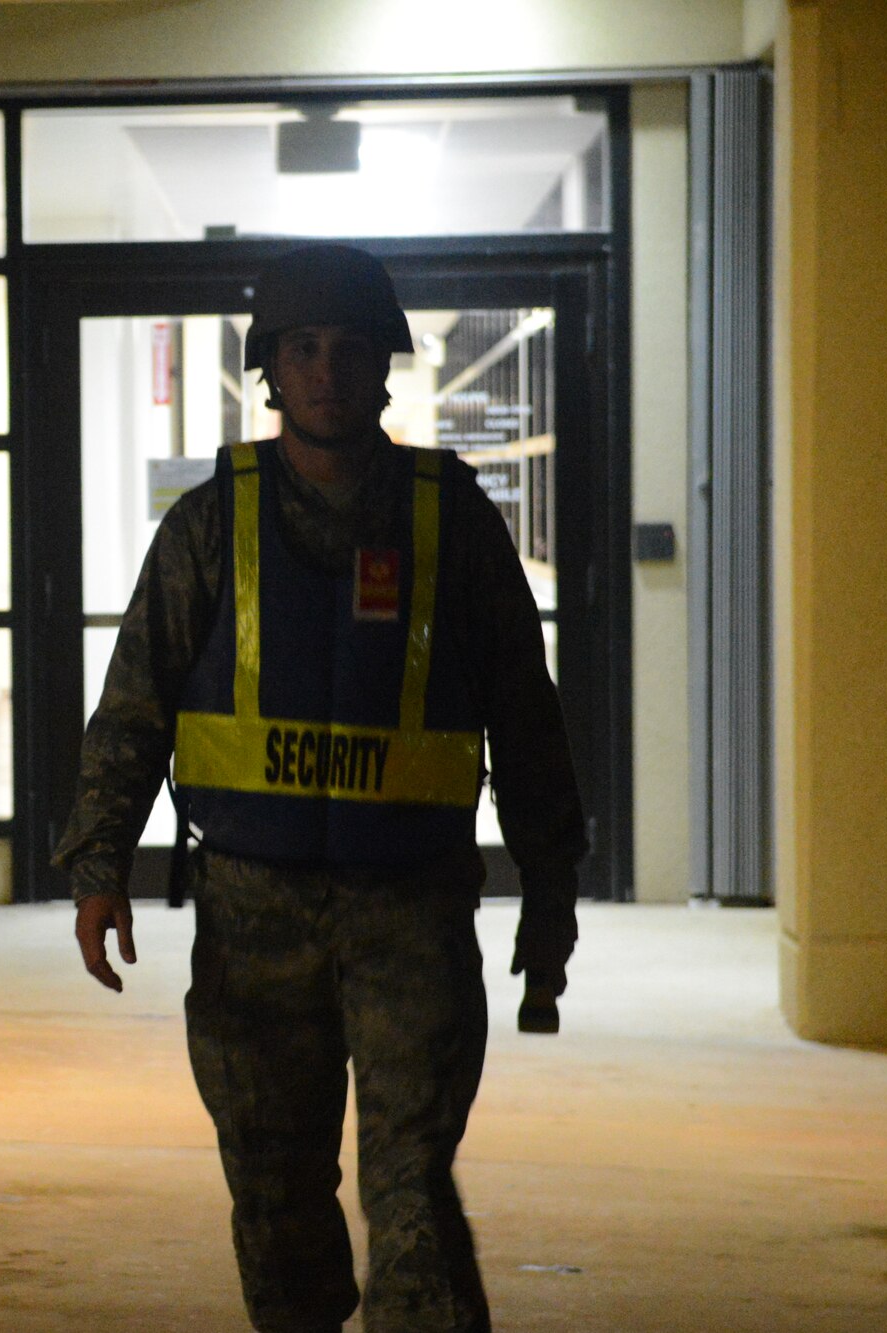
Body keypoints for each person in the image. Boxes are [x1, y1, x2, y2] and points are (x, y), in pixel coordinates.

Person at [54, 243, 587, 1333]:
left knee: (412, 1188)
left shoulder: (453, 526)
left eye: (349, 350)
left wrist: (550, 887)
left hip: (412, 909)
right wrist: (97, 863)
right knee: (272, 1182)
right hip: (253, 915)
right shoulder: (209, 526)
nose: (326, 372)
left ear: (383, 366)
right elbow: (134, 703)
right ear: (269, 370)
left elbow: (527, 722)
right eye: (302, 350)